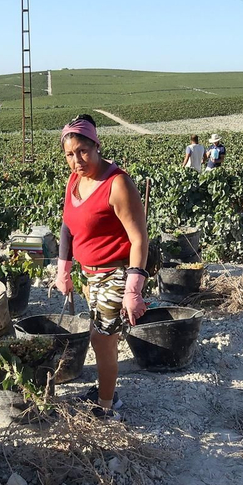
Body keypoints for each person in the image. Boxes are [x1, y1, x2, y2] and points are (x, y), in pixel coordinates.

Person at [52, 116, 149, 421]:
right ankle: (106, 390)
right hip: (89, 274)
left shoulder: (117, 183)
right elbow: (68, 225)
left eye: (82, 151)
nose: (76, 160)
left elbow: (138, 237)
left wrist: (134, 289)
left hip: (115, 272)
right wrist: (63, 269)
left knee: (102, 341)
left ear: (97, 146)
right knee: (102, 336)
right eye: (69, 154)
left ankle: (106, 408)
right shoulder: (74, 181)